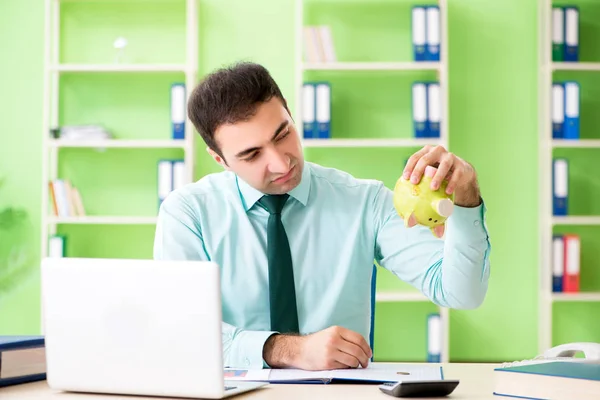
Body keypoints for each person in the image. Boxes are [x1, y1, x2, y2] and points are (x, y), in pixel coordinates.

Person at [153, 61, 491, 371]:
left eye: (283, 134)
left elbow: (462, 292)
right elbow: (182, 331)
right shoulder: (188, 213)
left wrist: (465, 198)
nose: (282, 163)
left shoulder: (364, 201)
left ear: (291, 115)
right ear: (220, 159)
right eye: (252, 154)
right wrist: (286, 350)